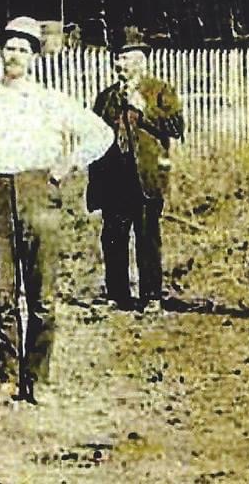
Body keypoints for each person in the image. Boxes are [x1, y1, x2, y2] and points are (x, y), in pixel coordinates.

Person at [0, 17, 114, 408]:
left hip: (40, 197)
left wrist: (66, 164)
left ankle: (39, 380)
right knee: (2, 293)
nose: (14, 56)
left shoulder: (51, 100)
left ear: (35, 57)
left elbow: (102, 134)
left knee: (42, 295)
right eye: (9, 48)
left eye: (23, 49)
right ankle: (8, 379)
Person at [84, 27, 185, 312]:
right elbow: (95, 137)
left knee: (146, 237)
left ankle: (151, 296)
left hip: (145, 177)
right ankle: (117, 295)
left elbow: (176, 127)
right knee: (113, 237)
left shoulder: (159, 91)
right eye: (117, 58)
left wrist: (145, 111)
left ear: (141, 61)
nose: (119, 64)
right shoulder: (105, 98)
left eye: (125, 58)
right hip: (113, 178)